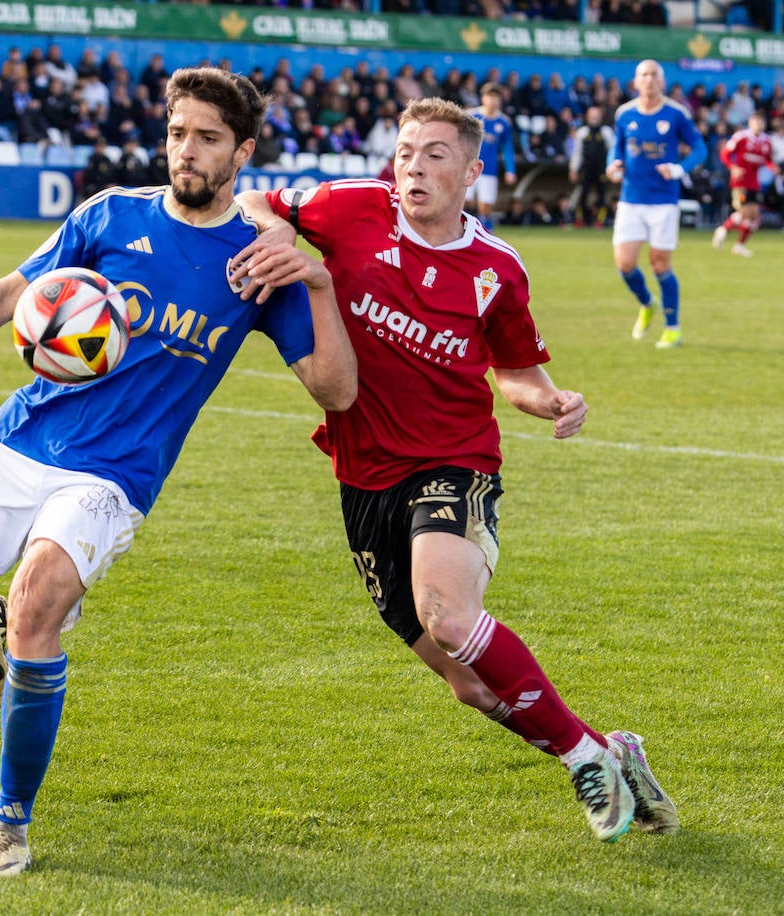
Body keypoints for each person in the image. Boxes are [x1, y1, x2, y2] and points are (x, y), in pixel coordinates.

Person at [0, 66, 356, 881]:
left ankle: (8, 824)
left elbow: (336, 389)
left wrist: (320, 285)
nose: (186, 152)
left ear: (243, 152)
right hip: (24, 438)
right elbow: (12, 295)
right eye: (177, 133)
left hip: (115, 474)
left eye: (207, 138)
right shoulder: (111, 213)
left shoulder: (260, 262)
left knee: (41, 605)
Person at [231, 96, 679, 844]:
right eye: (406, 150)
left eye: (436, 153)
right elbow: (250, 196)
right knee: (468, 685)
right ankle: (609, 748)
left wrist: (553, 399)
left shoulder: (497, 268)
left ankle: (579, 761)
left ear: (472, 172)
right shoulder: (345, 209)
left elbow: (518, 373)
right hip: (361, 474)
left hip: (453, 461)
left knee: (450, 614)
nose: (414, 166)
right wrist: (278, 228)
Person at [606, 59, 706, 349]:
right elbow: (618, 146)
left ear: (661, 82)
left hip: (663, 201)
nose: (648, 80)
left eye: (653, 75)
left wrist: (679, 169)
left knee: (660, 264)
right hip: (631, 198)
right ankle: (648, 303)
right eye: (643, 75)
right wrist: (613, 164)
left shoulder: (676, 114)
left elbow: (700, 148)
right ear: (635, 82)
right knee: (624, 264)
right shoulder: (624, 114)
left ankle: (673, 329)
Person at [712, 111, 775, 258]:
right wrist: (733, 167)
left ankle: (739, 245)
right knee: (745, 213)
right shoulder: (741, 137)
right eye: (756, 121)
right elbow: (724, 154)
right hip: (740, 182)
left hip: (754, 183)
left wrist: (774, 167)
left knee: (755, 216)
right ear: (751, 122)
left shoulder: (767, 141)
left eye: (761, 122)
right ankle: (723, 229)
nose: (759, 124)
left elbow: (768, 160)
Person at [466, 82, 517, 231]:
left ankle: (484, 236)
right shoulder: (471, 117)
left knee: (486, 206)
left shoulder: (504, 122)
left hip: (488, 169)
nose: (493, 101)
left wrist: (510, 170)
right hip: (468, 168)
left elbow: (507, 148)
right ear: (483, 98)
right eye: (490, 97)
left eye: (496, 97)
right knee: (465, 202)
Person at [568, 104, 615, 228]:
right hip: (586, 169)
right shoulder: (582, 132)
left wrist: (612, 168)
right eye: (592, 115)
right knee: (582, 194)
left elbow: (612, 151)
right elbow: (577, 153)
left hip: (601, 169)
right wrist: (573, 169)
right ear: (587, 116)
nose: (594, 117)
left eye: (596, 115)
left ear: (600, 116)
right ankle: (580, 220)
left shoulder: (606, 132)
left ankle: (600, 221)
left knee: (602, 195)